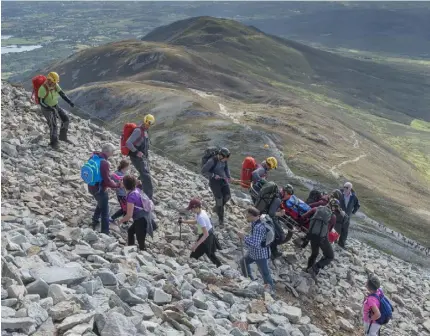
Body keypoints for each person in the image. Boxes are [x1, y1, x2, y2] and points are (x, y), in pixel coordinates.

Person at [237, 206, 275, 292]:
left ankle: (271, 290)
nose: (246, 218)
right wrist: (244, 229)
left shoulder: (259, 227)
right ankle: (249, 279)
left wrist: (243, 237)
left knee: (265, 273)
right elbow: (250, 226)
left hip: (260, 254)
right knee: (243, 261)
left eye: (247, 216)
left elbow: (255, 244)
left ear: (252, 216)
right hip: (253, 252)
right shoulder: (258, 220)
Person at [88, 143, 121, 235]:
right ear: (107, 152)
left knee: (100, 203)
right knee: (105, 212)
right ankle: (105, 232)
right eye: (112, 151)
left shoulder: (94, 156)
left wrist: (110, 174)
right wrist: (117, 185)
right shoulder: (104, 163)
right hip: (100, 189)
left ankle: (95, 220)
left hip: (91, 185)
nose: (113, 153)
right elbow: (107, 181)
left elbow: (98, 172)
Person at [301, 199, 338, 277]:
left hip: (312, 235)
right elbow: (330, 230)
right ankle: (315, 268)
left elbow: (304, 216)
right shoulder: (333, 216)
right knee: (330, 256)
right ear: (334, 207)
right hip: (323, 239)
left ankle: (308, 268)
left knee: (314, 253)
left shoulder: (317, 209)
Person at [118, 175, 156, 251]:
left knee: (140, 240)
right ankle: (130, 248)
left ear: (125, 185)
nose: (120, 182)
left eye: (122, 181)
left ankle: (143, 253)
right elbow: (138, 184)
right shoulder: (137, 190)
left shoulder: (131, 197)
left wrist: (120, 221)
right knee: (130, 231)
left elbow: (129, 215)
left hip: (141, 220)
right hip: (146, 215)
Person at [38, 72, 75, 149]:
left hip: (55, 105)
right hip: (46, 109)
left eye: (55, 82)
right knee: (53, 125)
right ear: (49, 80)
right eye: (53, 82)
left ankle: (62, 137)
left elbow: (62, 94)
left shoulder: (55, 85)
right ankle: (53, 143)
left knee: (65, 120)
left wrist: (69, 102)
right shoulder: (42, 89)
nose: (55, 84)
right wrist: (50, 108)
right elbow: (41, 102)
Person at [181, 198, 222, 267]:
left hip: (207, 235)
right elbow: (196, 221)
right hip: (208, 233)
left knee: (204, 253)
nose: (191, 210)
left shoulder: (201, 217)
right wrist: (184, 221)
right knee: (208, 253)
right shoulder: (201, 212)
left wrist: (195, 245)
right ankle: (219, 266)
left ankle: (220, 267)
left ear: (196, 207)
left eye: (192, 208)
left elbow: (206, 234)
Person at [125, 114, 155, 200]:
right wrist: (136, 151)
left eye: (151, 123)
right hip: (136, 157)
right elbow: (128, 143)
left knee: (143, 174)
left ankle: (136, 191)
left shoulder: (145, 131)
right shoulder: (138, 131)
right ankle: (149, 198)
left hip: (143, 157)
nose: (149, 124)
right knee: (146, 175)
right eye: (148, 122)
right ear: (145, 121)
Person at [201, 147, 232, 226]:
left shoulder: (224, 160)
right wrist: (213, 175)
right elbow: (203, 171)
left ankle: (216, 208)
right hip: (214, 182)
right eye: (225, 158)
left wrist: (228, 177)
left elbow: (226, 168)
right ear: (221, 156)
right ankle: (221, 219)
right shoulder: (211, 161)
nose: (226, 160)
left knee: (227, 196)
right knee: (219, 200)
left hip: (223, 180)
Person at [339, 182, 360, 247]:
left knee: (345, 231)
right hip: (338, 215)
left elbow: (357, 205)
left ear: (350, 188)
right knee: (336, 227)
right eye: (344, 187)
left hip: (347, 217)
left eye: (346, 187)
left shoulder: (353, 197)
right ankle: (331, 240)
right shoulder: (339, 193)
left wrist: (352, 213)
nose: (344, 188)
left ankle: (341, 244)